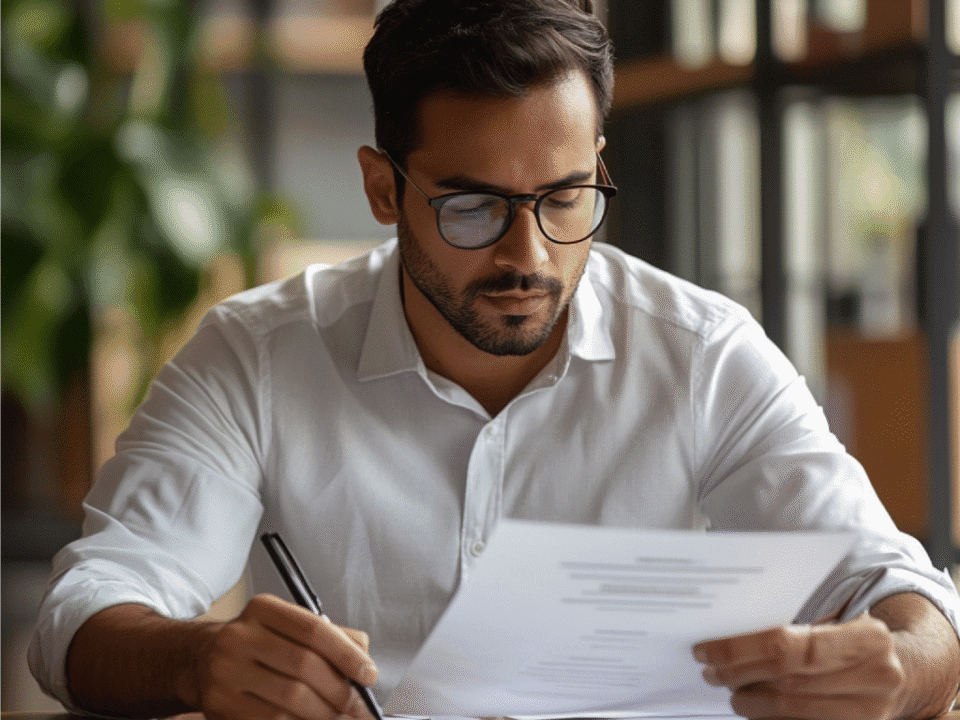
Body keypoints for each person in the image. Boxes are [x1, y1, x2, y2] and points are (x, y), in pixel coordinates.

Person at [29, 0, 960, 718]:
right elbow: (83, 613)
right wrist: (195, 658)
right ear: (383, 187)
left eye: (564, 198)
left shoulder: (704, 355)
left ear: (598, 165)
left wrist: (896, 670)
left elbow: (907, 598)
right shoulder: (257, 354)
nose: (530, 255)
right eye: (472, 205)